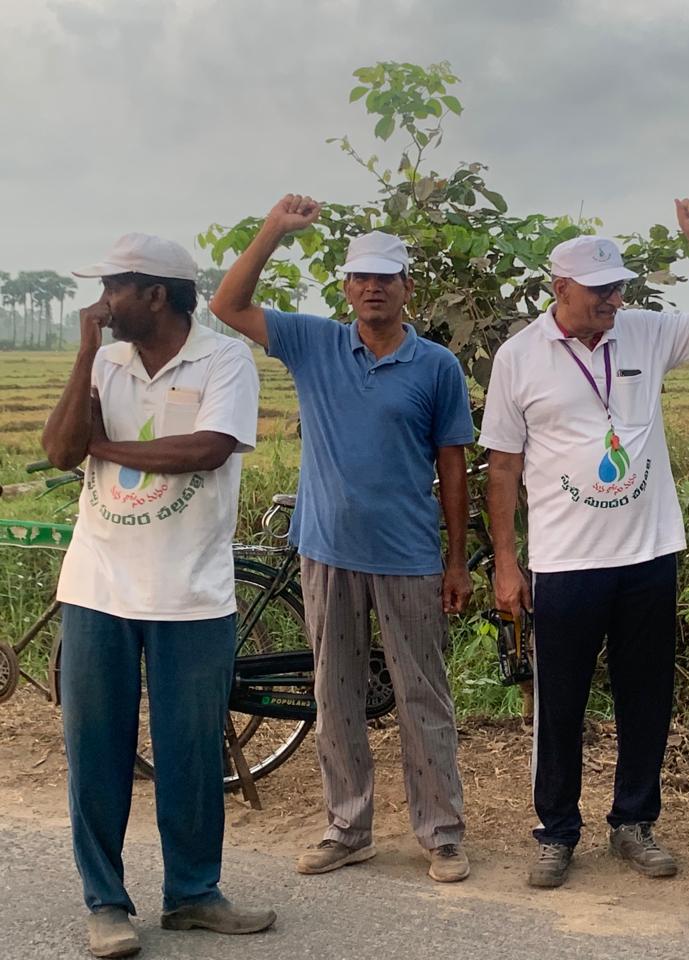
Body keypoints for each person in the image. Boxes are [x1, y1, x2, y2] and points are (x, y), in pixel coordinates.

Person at [210, 195, 475, 883]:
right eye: (361, 277)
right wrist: (273, 228)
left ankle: (442, 834)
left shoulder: (436, 367)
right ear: (347, 287)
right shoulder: (314, 343)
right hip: (327, 550)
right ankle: (347, 828)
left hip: (410, 556)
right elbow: (228, 305)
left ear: (407, 287)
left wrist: (456, 561)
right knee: (335, 695)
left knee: (423, 697)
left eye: (386, 277)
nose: (373, 287)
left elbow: (452, 466)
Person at [479, 200, 689, 889]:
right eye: (599, 290)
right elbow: (502, 467)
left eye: (618, 287)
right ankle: (556, 831)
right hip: (565, 561)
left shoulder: (643, 331)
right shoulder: (518, 357)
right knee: (560, 704)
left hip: (648, 553)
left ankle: (633, 822)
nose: (613, 300)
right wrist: (506, 562)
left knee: (645, 697)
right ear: (560, 288)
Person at [42, 234, 273, 957]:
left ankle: (193, 894)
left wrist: (106, 448)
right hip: (98, 586)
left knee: (191, 753)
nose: (103, 302)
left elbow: (206, 449)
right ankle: (106, 904)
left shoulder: (224, 359)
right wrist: (85, 352)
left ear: (156, 294)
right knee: (96, 752)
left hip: (190, 592)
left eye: (115, 287)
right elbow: (59, 449)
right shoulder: (104, 360)